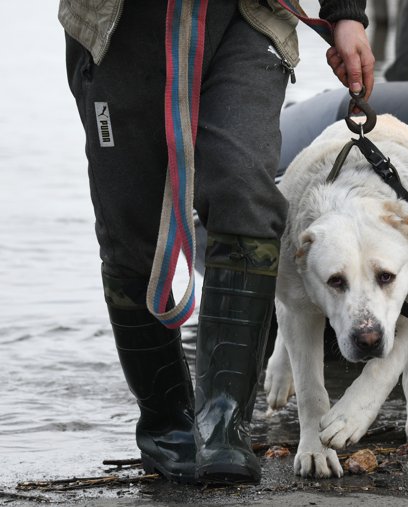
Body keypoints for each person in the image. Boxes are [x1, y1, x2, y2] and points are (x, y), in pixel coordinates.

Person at [60, 0, 374, 485]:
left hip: (248, 16)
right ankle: (168, 430)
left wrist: (347, 13)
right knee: (131, 231)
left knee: (244, 191)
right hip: (119, 28)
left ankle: (224, 425)